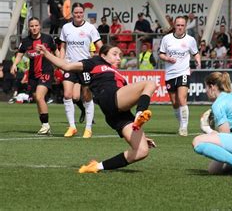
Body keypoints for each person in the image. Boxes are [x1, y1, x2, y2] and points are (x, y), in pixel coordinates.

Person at [37, 43, 157, 173]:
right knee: (150, 83)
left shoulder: (119, 74)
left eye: (120, 55)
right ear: (103, 55)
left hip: (116, 114)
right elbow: (65, 66)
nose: (118, 58)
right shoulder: (95, 62)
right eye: (114, 54)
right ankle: (140, 113)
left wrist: (140, 137)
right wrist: (46, 53)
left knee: (142, 151)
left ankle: (96, 166)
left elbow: (126, 104)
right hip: (110, 97)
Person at [60, 2, 103, 138]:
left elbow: (100, 46)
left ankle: (88, 128)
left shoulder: (90, 28)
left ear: (83, 13)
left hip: (85, 66)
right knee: (67, 95)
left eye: (80, 13)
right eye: (76, 12)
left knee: (86, 96)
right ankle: (72, 127)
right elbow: (62, 47)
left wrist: (101, 60)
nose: (78, 15)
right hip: (70, 66)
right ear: (72, 13)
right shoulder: (66, 28)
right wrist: (61, 63)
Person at [10, 17, 59, 135]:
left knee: (39, 96)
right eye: (31, 26)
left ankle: (46, 125)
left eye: (36, 25)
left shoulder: (47, 39)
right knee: (37, 99)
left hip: (46, 72)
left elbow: (56, 51)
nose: (34, 28)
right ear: (29, 27)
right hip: (33, 75)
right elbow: (20, 54)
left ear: (40, 26)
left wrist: (60, 63)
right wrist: (14, 65)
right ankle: (44, 125)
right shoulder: (26, 41)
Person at [159, 16, 201, 136]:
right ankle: (181, 123)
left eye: (182, 25)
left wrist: (198, 60)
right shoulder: (167, 39)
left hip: (183, 72)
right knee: (174, 102)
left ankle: (184, 127)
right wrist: (167, 58)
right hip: (170, 74)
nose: (180, 28)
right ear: (174, 25)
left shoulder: (190, 40)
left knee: (182, 99)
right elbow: (161, 54)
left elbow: (196, 53)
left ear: (185, 26)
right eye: (178, 25)